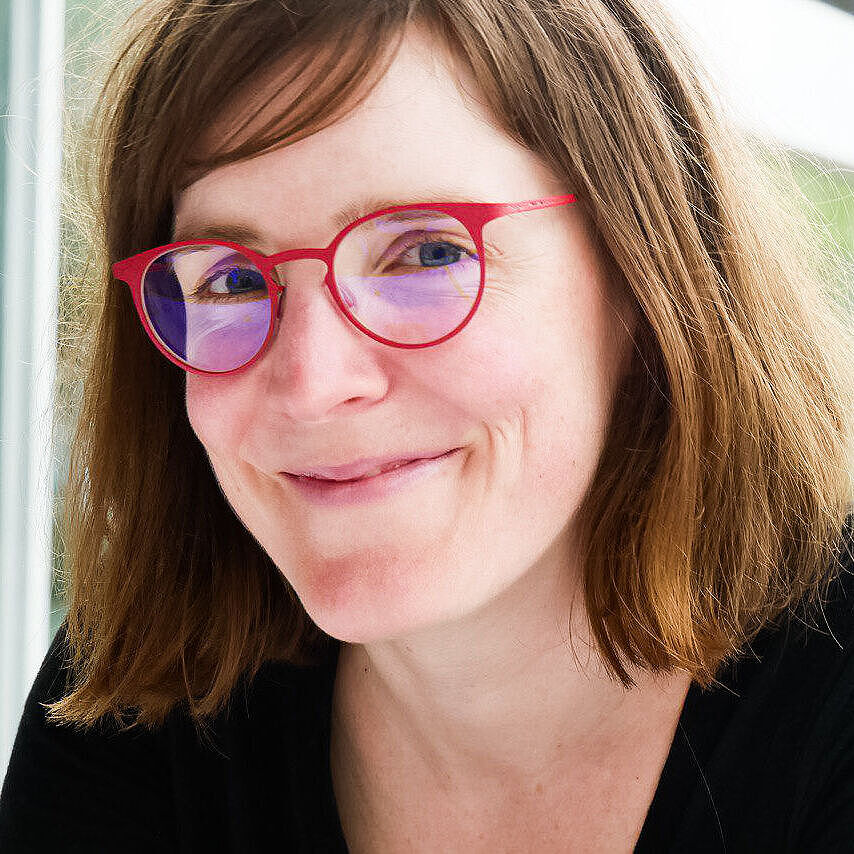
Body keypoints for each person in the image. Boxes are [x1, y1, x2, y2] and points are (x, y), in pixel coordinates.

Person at [1, 0, 853, 851]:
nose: (312, 385)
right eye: (230, 280)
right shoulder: (141, 699)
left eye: (427, 253)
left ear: (643, 273)